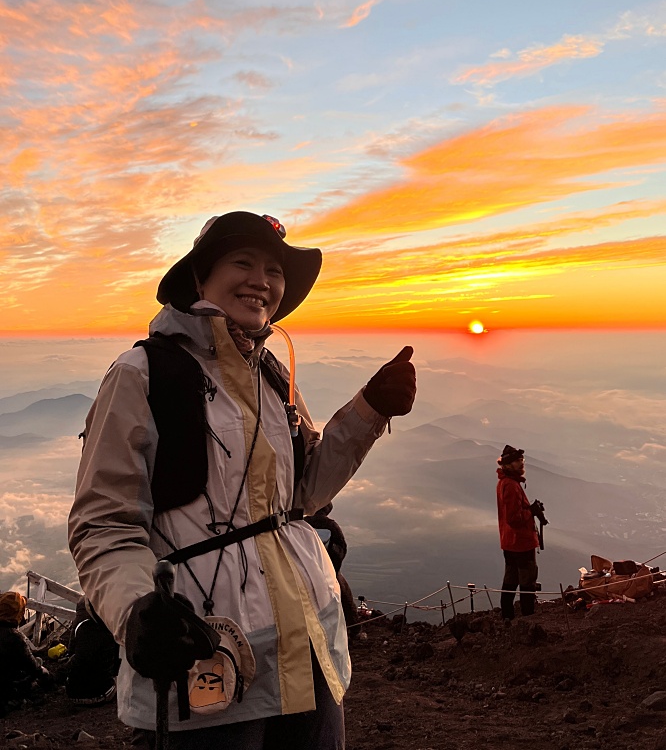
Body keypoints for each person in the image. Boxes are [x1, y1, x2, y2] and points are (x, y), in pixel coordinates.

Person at [68, 211, 416, 749]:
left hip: (308, 645)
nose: (263, 280)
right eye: (243, 262)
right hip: (207, 652)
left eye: (274, 270)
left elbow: (299, 498)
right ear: (200, 278)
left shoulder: (272, 375)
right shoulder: (143, 374)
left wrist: (369, 411)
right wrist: (136, 609)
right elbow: (103, 524)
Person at [496, 445, 540, 621]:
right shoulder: (511, 486)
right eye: (517, 461)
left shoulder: (504, 483)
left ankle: (508, 617)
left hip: (509, 541)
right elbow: (514, 518)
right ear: (508, 464)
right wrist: (531, 512)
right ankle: (528, 618)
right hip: (521, 542)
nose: (521, 463)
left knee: (511, 579)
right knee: (527, 581)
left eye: (521, 460)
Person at [0, 591, 53, 717]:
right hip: (8, 691)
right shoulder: (14, 637)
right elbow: (33, 668)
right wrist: (50, 680)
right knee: (39, 662)